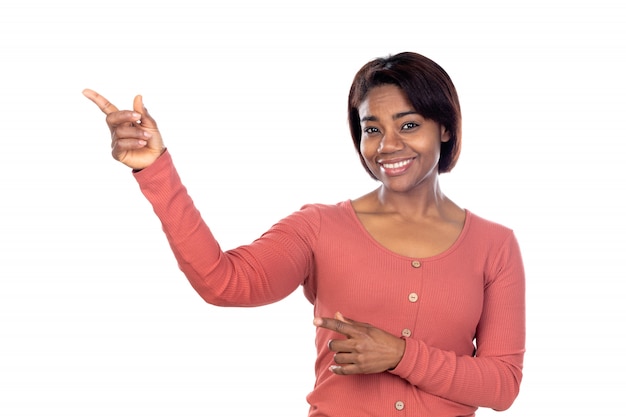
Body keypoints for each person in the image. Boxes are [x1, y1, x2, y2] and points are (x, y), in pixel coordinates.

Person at [83, 51, 525, 416]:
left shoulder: (495, 245)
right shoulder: (319, 227)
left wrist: (401, 356)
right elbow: (223, 282)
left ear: (444, 128)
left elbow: (502, 386)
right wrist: (154, 170)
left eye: (408, 125)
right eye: (372, 129)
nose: (387, 145)